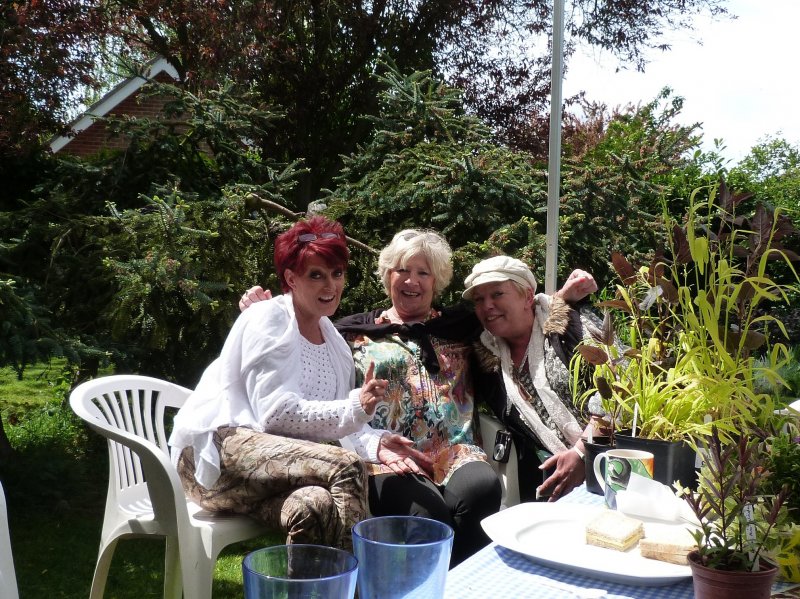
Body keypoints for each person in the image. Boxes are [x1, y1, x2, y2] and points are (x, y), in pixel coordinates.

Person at [168, 216, 390, 551]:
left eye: (337, 273)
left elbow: (341, 425)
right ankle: (361, 588)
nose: (330, 286)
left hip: (267, 467)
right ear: (291, 278)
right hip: (215, 456)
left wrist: (380, 443)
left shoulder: (335, 345)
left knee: (314, 505)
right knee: (346, 465)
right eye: (316, 275)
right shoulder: (269, 318)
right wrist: (356, 405)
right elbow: (275, 415)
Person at [463, 255, 603, 503]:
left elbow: (623, 388)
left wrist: (581, 453)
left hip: (613, 463)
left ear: (528, 297)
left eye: (497, 294)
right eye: (479, 299)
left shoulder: (572, 327)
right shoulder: (488, 358)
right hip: (549, 481)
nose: (487, 306)